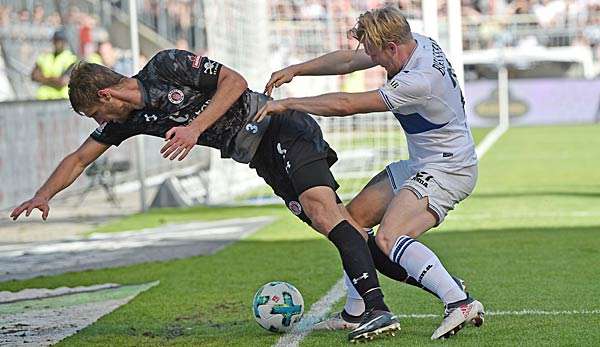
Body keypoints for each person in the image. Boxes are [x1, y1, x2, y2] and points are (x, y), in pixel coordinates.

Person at [10, 49, 399, 343]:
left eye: (96, 112)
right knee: (335, 224)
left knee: (324, 213)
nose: (99, 123)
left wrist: (194, 129)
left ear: (107, 94)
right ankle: (441, 287)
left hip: (277, 124)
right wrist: (43, 195)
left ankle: (377, 309)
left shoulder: (165, 66)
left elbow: (233, 81)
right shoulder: (130, 121)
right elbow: (79, 158)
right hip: (258, 156)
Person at [256, 5, 485, 340]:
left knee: (389, 238)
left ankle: (458, 301)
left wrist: (290, 103)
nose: (374, 61)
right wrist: (296, 69)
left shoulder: (419, 80)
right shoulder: (412, 43)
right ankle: (356, 311)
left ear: (391, 47)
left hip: (449, 167)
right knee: (352, 220)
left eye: (376, 55)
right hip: (425, 162)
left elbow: (347, 106)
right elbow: (348, 61)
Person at [31, 29, 78, 100]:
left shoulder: (71, 58)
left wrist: (43, 78)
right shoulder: (45, 56)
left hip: (60, 99)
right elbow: (34, 76)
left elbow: (63, 81)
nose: (57, 43)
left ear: (65, 42)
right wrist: (54, 79)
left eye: (60, 40)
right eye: (56, 40)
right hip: (43, 98)